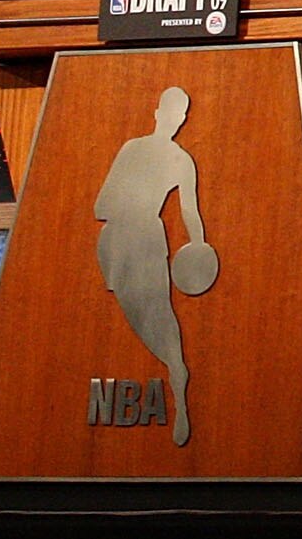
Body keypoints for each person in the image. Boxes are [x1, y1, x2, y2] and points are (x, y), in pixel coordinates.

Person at [94, 85, 209, 447]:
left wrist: (199, 246)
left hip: (143, 238)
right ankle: (175, 369)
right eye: (171, 113)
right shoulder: (135, 149)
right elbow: (102, 203)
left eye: (179, 116)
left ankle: (177, 375)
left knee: (157, 313)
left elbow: (190, 210)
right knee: (140, 314)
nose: (174, 120)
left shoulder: (180, 159)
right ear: (160, 114)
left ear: (179, 120)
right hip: (120, 241)